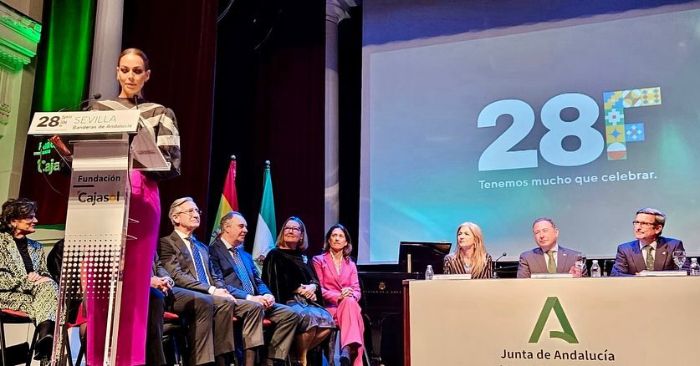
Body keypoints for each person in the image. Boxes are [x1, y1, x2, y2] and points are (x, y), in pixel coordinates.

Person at [85, 48, 181, 365]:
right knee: (97, 286)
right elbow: (85, 159)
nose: (130, 77)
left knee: (132, 290)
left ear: (146, 75)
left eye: (137, 71)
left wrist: (141, 150)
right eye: (125, 70)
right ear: (116, 72)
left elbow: (171, 164)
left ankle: (128, 361)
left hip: (141, 198)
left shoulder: (160, 112)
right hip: (98, 194)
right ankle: (97, 360)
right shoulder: (98, 109)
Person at [159, 197, 264, 366]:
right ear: (176, 218)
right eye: (190, 211)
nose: (196, 214)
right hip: (185, 295)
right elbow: (177, 276)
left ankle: (248, 363)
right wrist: (212, 290)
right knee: (220, 303)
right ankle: (220, 361)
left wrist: (222, 290)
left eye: (197, 211)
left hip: (212, 294)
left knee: (253, 306)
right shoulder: (167, 243)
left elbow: (215, 276)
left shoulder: (202, 246)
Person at [209, 211, 299, 366]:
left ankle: (270, 360)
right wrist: (250, 298)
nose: (246, 230)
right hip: (235, 301)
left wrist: (267, 294)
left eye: (246, 227)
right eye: (241, 226)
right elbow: (220, 284)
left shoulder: (244, 254)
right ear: (227, 227)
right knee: (255, 307)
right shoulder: (213, 251)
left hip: (257, 301)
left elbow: (258, 280)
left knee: (290, 314)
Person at [262, 216, 335, 366]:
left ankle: (299, 354)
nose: (291, 231)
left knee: (328, 322)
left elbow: (314, 279)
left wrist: (312, 287)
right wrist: (299, 289)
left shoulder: (303, 257)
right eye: (288, 228)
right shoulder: (274, 255)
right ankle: (303, 360)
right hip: (287, 301)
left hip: (306, 302)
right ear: (282, 232)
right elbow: (272, 282)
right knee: (310, 318)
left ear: (301, 235)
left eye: (295, 229)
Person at [0, 198, 57, 360]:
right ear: (13, 221)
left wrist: (41, 277)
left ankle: (44, 340)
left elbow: (45, 275)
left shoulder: (36, 247)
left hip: (32, 296)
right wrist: (28, 280)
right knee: (50, 305)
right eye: (30, 217)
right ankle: (45, 342)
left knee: (51, 287)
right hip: (5, 296)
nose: (36, 221)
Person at [312, 224, 365, 366]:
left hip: (348, 306)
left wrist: (350, 295)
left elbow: (357, 290)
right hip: (329, 308)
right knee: (354, 312)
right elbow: (319, 289)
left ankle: (347, 348)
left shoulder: (351, 264)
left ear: (346, 242)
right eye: (334, 236)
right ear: (329, 240)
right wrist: (339, 296)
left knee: (350, 302)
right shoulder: (318, 260)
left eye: (340, 236)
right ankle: (348, 349)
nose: (337, 238)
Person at [610, 208, 685, 276]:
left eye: (644, 223)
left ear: (658, 229)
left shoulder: (673, 245)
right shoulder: (625, 249)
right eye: (636, 222)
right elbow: (616, 274)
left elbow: (685, 272)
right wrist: (639, 279)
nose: (638, 227)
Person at [517, 218, 585, 278]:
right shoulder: (527, 258)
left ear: (556, 232)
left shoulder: (574, 257)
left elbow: (587, 286)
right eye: (537, 232)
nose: (541, 235)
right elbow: (521, 286)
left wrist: (575, 279)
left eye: (545, 230)